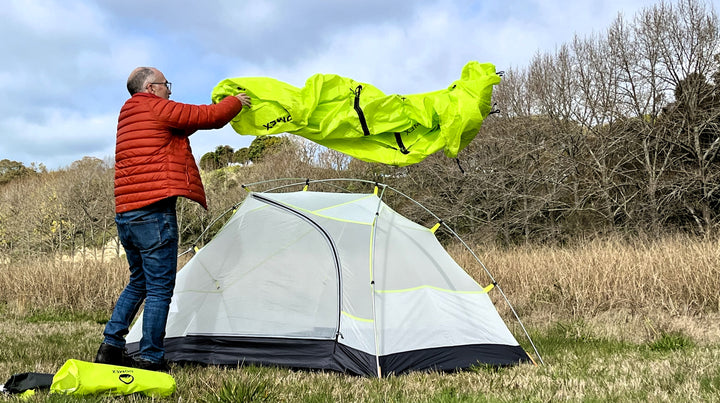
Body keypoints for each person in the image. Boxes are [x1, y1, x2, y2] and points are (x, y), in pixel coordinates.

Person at [95, 67, 251, 371]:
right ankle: (151, 358)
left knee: (139, 282)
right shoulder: (154, 105)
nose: (170, 90)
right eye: (167, 85)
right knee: (159, 289)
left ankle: (110, 347)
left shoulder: (131, 112)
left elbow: (180, 123)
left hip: (127, 214)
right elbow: (209, 117)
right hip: (153, 212)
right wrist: (235, 102)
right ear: (151, 87)